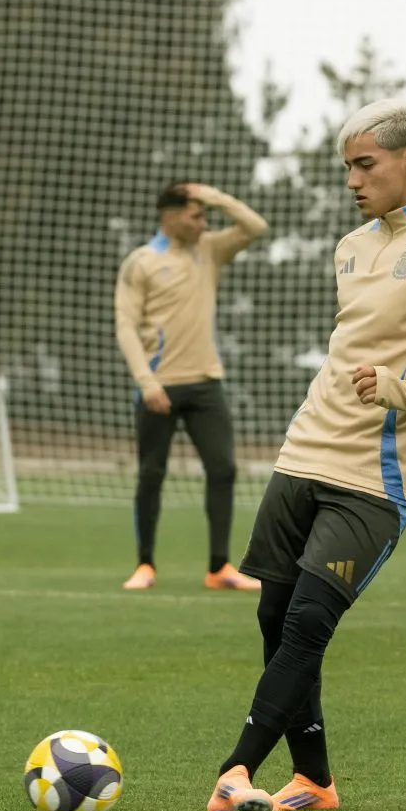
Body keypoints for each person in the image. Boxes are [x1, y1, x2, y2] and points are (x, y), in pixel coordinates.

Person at [205, 98, 406, 811]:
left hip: (374, 479)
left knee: (309, 622)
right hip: (303, 450)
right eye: (347, 167)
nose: (351, 180)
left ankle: (235, 771)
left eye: (364, 165)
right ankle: (314, 781)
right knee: (275, 619)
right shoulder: (348, 246)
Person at [115, 182, 269, 591]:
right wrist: (146, 382)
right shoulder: (142, 262)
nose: (204, 223)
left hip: (206, 383)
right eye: (196, 215)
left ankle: (219, 567)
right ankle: (145, 565)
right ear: (171, 216)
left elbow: (256, 227)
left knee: (223, 469)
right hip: (159, 386)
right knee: (151, 474)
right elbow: (126, 326)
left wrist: (214, 197)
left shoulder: (209, 250)